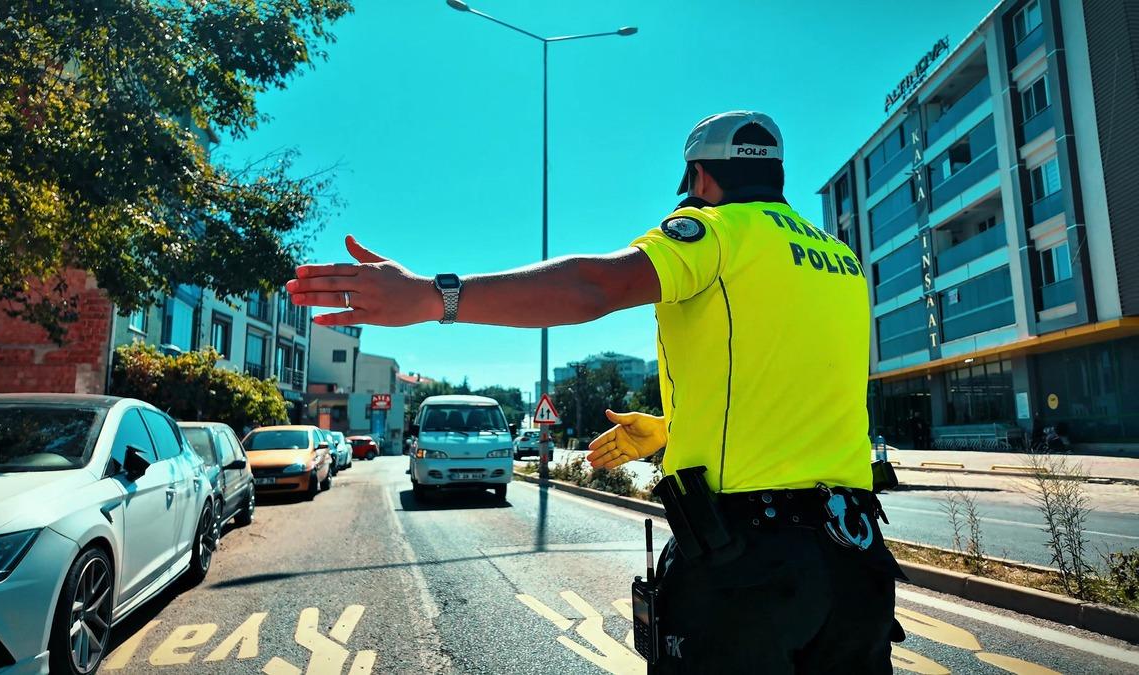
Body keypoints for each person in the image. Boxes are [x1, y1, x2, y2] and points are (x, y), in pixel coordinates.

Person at [286, 111, 903, 673]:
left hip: (748, 569)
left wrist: (432, 297)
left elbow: (594, 286)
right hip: (856, 562)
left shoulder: (714, 230)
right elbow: (795, 387)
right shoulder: (842, 260)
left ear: (699, 177)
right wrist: (671, 430)